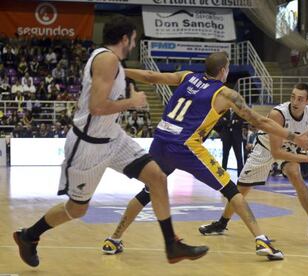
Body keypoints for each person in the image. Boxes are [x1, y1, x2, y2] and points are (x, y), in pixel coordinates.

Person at [13, 15, 208, 268]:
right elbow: (96, 107)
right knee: (77, 209)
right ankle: (29, 235)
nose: (135, 45)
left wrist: (128, 97)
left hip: (113, 138)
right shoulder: (107, 59)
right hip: (89, 145)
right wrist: (132, 102)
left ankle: (171, 245)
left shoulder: (113, 63)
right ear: (125, 38)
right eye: (134, 39)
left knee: (157, 177)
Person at [101, 52, 308, 261]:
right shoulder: (226, 94)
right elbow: (260, 122)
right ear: (224, 71)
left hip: (160, 142)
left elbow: (149, 77)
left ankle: (114, 239)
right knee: (231, 191)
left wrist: (119, 71)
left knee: (147, 192)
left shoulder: (186, 76)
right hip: (186, 146)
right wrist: (294, 137)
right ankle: (261, 240)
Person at [198, 83, 308, 247]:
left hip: (290, 147)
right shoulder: (278, 114)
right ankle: (222, 223)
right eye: (293, 97)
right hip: (266, 148)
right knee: (241, 190)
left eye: (300, 99)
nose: (295, 101)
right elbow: (276, 153)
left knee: (296, 176)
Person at [217, 109, 244, 175]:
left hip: (236, 138)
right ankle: (223, 174)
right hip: (226, 137)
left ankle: (240, 175)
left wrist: (228, 122)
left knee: (239, 157)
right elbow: (221, 121)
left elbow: (241, 122)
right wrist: (233, 121)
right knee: (225, 156)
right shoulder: (225, 111)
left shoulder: (239, 111)